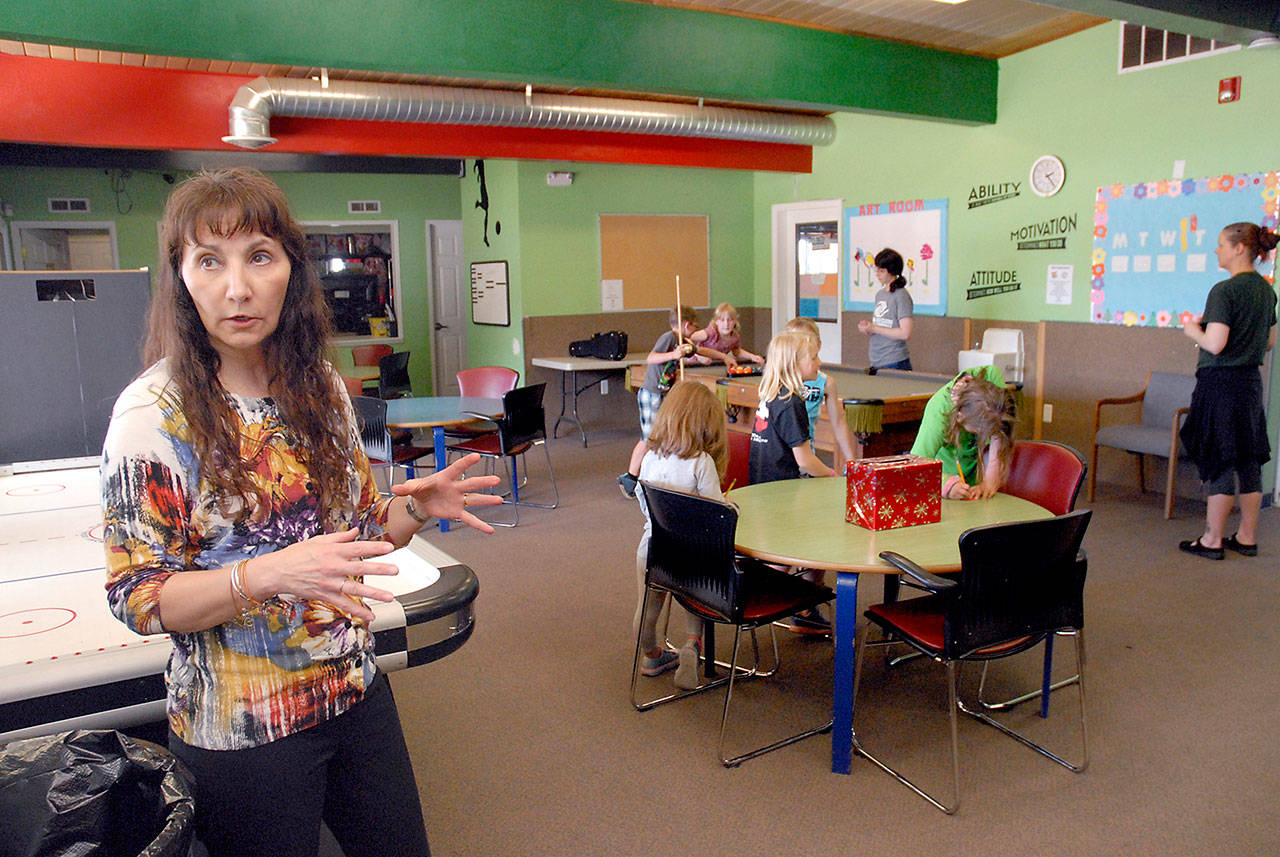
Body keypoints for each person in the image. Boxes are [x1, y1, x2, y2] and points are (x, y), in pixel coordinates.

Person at [100, 167, 502, 857]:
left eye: (259, 255)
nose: (238, 286)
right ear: (180, 278)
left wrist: (414, 509)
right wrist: (264, 574)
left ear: (290, 266)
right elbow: (139, 596)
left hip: (353, 689)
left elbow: (356, 531)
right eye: (209, 260)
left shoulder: (318, 386)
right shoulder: (152, 413)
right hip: (241, 728)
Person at [1176, 221, 1278, 560]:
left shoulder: (1225, 291)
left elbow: (1215, 344)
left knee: (1219, 458)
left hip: (1220, 385)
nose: (1216, 250)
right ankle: (1246, 536)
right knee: (1248, 459)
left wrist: (1193, 330)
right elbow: (1270, 342)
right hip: (1249, 384)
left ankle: (1212, 539)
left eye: (1221, 244)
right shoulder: (1266, 291)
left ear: (1238, 248)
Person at [632, 381, 727, 690]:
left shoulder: (649, 458)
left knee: (647, 607)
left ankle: (652, 655)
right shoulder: (702, 462)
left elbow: (642, 500)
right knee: (694, 600)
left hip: (653, 548)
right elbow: (715, 513)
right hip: (692, 554)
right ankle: (691, 645)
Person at [749, 329, 836, 633]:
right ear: (794, 364)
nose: (818, 362)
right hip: (783, 495)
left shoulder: (771, 395)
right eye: (813, 358)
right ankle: (793, 601)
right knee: (822, 537)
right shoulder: (792, 402)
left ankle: (790, 597)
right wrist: (833, 474)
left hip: (764, 490)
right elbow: (806, 461)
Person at [618, 305, 720, 496]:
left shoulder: (683, 341)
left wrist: (722, 357)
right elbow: (651, 358)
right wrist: (674, 355)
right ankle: (630, 478)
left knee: (663, 434)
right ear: (687, 324)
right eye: (694, 327)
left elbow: (701, 352)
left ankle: (658, 477)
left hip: (664, 393)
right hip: (652, 393)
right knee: (650, 438)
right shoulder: (669, 338)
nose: (695, 331)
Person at [909, 365, 1014, 500]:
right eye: (980, 432)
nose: (986, 436)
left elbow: (999, 432)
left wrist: (990, 481)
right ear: (960, 416)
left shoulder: (991, 377)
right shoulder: (938, 413)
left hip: (973, 476)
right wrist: (947, 486)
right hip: (944, 480)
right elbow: (914, 466)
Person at [784, 317, 858, 469]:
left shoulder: (825, 382)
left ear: (817, 346)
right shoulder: (780, 380)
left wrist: (851, 460)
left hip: (806, 457)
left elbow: (838, 422)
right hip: (781, 458)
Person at [857, 248, 914, 371]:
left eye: (881, 271)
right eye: (877, 270)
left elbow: (905, 333)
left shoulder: (901, 295)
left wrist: (875, 328)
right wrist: (869, 328)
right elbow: (884, 325)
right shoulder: (880, 294)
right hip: (877, 358)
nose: (877, 274)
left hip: (894, 360)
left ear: (891, 272)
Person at [689, 302, 764, 367]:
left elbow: (736, 351)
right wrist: (697, 354)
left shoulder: (734, 337)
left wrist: (752, 357)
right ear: (716, 322)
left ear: (735, 321)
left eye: (730, 320)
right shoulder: (709, 333)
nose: (726, 324)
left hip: (715, 366)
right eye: (722, 320)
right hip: (695, 365)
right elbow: (688, 339)